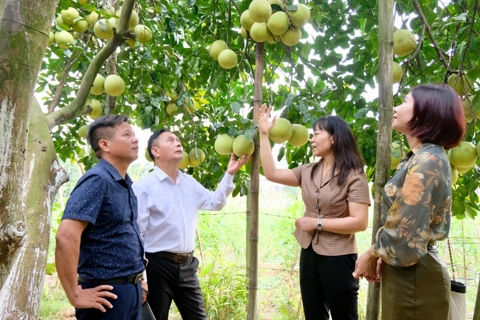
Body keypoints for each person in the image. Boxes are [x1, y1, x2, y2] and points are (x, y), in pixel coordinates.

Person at [353, 83, 466, 319]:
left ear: (425, 111)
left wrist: (371, 254)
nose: (396, 107)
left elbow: (406, 228)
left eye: (405, 101)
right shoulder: (421, 157)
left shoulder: (427, 160)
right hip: (408, 269)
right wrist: (386, 254)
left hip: (414, 276)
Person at [258, 105, 371, 320]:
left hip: (339, 257)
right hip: (309, 252)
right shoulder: (308, 171)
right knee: (314, 314)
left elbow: (360, 222)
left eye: (317, 134)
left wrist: (317, 223)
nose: (312, 139)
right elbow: (271, 173)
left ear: (334, 138)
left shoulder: (354, 175)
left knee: (344, 316)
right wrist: (264, 135)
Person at [133, 129, 250, 320]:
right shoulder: (144, 188)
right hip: (157, 267)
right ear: (155, 151)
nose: (178, 143)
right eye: (171, 140)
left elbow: (215, 202)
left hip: (187, 265)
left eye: (178, 140)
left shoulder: (189, 183)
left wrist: (229, 174)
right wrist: (143, 278)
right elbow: (137, 237)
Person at [55, 115, 148, 320]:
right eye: (127, 134)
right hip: (106, 294)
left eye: (134, 134)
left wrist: (139, 281)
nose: (135, 139)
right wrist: (75, 295)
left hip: (130, 290)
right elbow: (66, 236)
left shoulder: (124, 183)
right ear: (104, 144)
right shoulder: (98, 180)